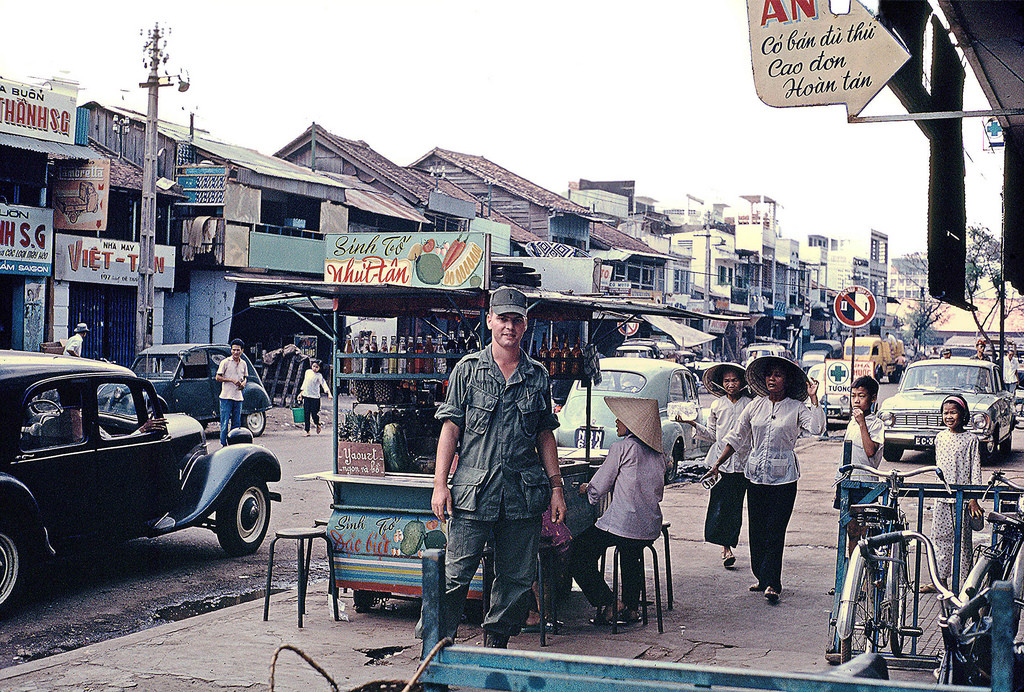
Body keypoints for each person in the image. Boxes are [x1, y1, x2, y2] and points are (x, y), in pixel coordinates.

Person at [428, 286, 564, 649]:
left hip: (522, 495)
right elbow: (450, 430)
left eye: (516, 320)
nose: (509, 327)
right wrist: (440, 484)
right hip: (474, 492)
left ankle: (495, 648)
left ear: (525, 324)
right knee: (455, 576)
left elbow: (544, 435)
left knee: (516, 580)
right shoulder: (468, 371)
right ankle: (436, 649)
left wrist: (556, 487)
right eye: (502, 318)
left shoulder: (537, 376)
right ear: (489, 321)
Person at [704, 355, 824, 604]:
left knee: (775, 530)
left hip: (784, 479)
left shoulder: (796, 407)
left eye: (778, 375)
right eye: (769, 374)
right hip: (755, 475)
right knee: (756, 530)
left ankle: (773, 582)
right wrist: (717, 464)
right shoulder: (754, 406)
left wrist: (814, 398)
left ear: (787, 380)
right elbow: (736, 437)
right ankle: (761, 576)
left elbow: (817, 429)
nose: (772, 378)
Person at [570, 397, 665, 625]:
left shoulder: (621, 448)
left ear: (632, 424)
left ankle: (609, 603)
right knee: (631, 553)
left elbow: (600, 485)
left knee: (577, 554)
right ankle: (632, 609)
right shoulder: (658, 454)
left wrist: (587, 489)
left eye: (620, 418)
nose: (615, 421)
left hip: (624, 522)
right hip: (649, 525)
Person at [677, 362, 752, 569]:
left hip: (743, 464)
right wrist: (693, 424)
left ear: (742, 382)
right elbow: (712, 435)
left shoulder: (750, 404)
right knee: (720, 506)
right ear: (721, 384)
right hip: (719, 465)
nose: (730, 384)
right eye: (727, 381)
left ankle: (729, 543)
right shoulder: (717, 406)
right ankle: (725, 547)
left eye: (734, 380)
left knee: (735, 507)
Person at [924, 395, 983, 593]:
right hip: (942, 498)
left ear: (963, 414)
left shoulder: (971, 439)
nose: (949, 416)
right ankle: (940, 582)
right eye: (945, 413)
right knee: (940, 539)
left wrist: (973, 498)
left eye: (953, 412)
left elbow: (975, 469)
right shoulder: (940, 437)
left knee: (963, 542)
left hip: (963, 500)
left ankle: (966, 584)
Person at [833, 376, 883, 555]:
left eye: (861, 396)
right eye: (853, 395)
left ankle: (866, 577)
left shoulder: (877, 424)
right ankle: (852, 576)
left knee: (865, 533)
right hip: (848, 482)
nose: (856, 400)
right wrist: (838, 483)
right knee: (851, 531)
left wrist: (862, 423)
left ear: (873, 398)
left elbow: (870, 451)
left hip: (866, 485)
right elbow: (845, 456)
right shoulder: (851, 423)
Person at [216, 339, 248, 446]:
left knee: (236, 424)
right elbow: (218, 377)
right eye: (234, 350)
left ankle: (235, 444)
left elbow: (245, 377)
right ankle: (223, 444)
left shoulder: (243, 363)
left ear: (242, 351)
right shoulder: (225, 362)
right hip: (226, 396)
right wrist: (231, 380)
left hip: (238, 397)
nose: (236, 352)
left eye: (238, 350)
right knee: (224, 423)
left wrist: (243, 383)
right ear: (231, 350)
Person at [297, 359, 332, 436]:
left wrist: (329, 393)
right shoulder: (308, 372)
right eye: (314, 366)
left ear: (320, 368)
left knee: (314, 414)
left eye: (317, 367)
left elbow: (324, 384)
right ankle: (307, 431)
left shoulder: (319, 376)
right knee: (306, 414)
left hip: (315, 397)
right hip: (306, 396)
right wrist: (301, 393)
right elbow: (305, 383)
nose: (314, 368)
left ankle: (317, 423)